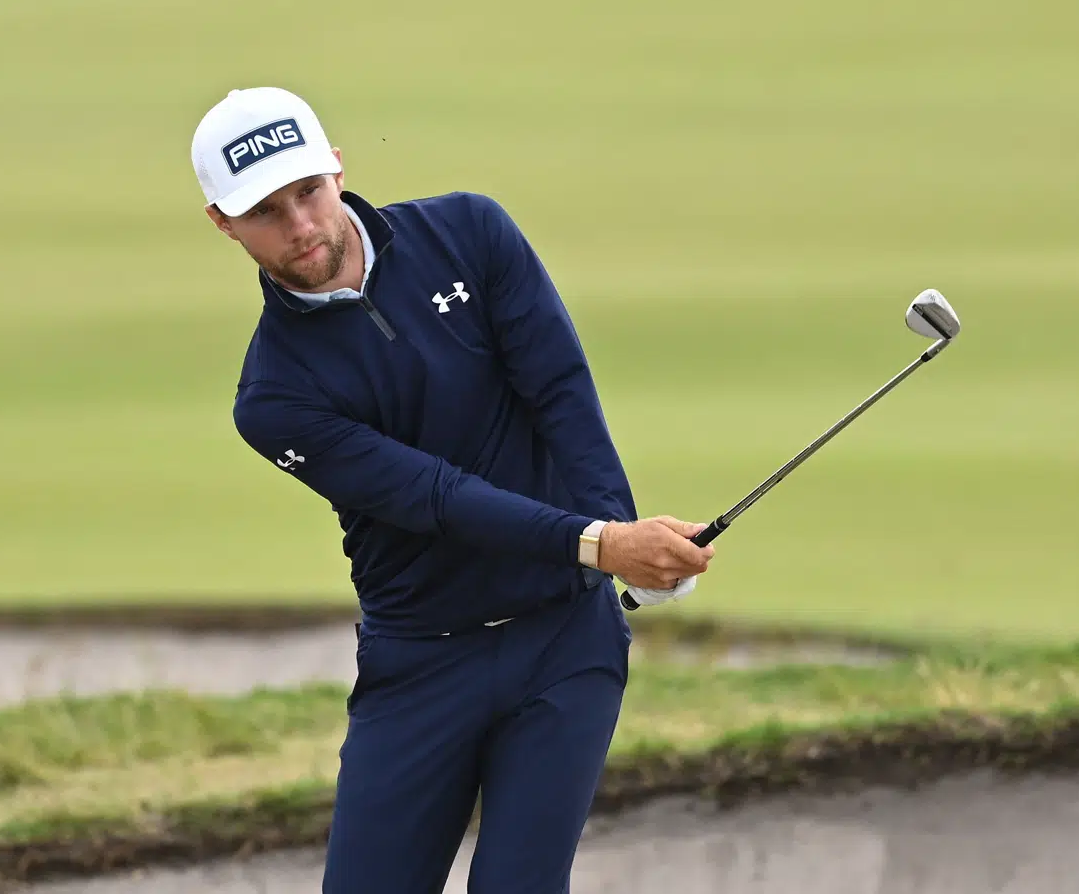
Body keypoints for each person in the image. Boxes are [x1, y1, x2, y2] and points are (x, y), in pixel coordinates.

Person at [191, 86, 716, 893]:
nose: (299, 225)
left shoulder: (469, 233)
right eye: (264, 211)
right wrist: (604, 545)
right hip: (420, 665)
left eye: (307, 191)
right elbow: (434, 495)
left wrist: (620, 530)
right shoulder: (273, 397)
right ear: (222, 223)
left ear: (336, 165)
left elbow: (561, 394)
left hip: (562, 641)